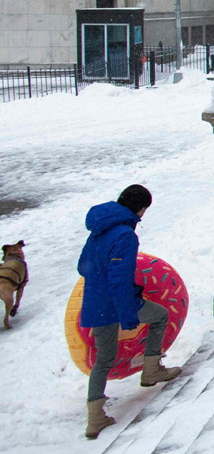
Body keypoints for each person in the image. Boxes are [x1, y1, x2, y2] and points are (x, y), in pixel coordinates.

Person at [77, 184, 181, 439]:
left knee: (104, 358)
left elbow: (83, 266)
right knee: (159, 316)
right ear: (141, 208)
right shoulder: (125, 235)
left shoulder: (100, 228)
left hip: (95, 303)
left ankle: (95, 418)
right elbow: (120, 279)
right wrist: (128, 314)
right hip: (116, 303)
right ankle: (151, 369)